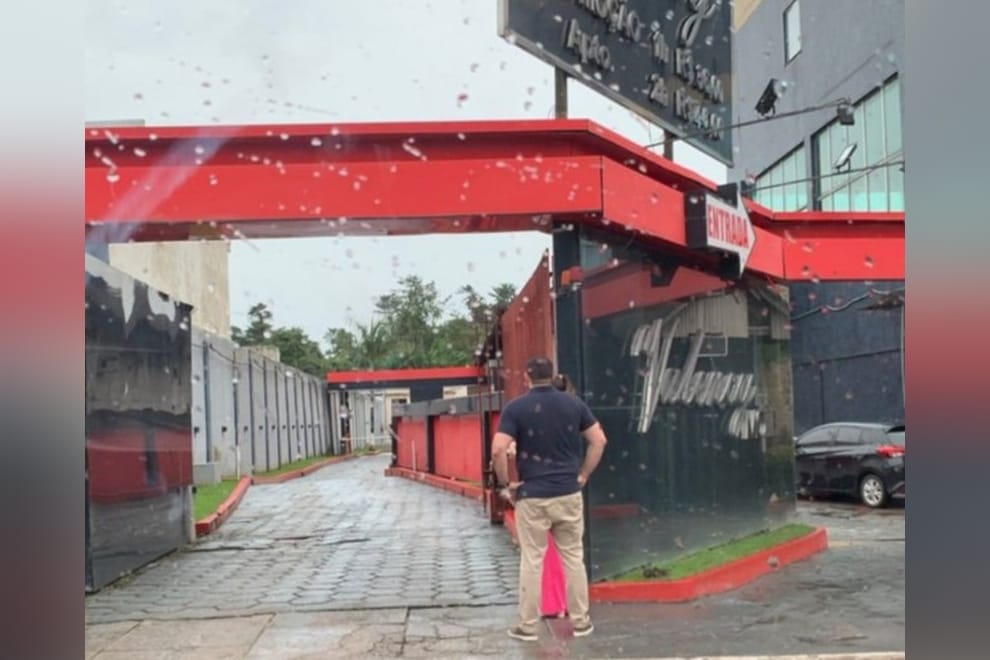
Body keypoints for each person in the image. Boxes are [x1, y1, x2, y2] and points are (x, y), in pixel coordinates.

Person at [492, 357, 608, 642]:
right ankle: (581, 622)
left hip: (532, 495)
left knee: (532, 561)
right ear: (553, 375)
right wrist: (583, 474)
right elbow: (599, 441)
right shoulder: (574, 405)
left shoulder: (516, 408)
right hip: (568, 493)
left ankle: (527, 626)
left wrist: (507, 484)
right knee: (573, 558)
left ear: (527, 377)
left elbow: (498, 449)